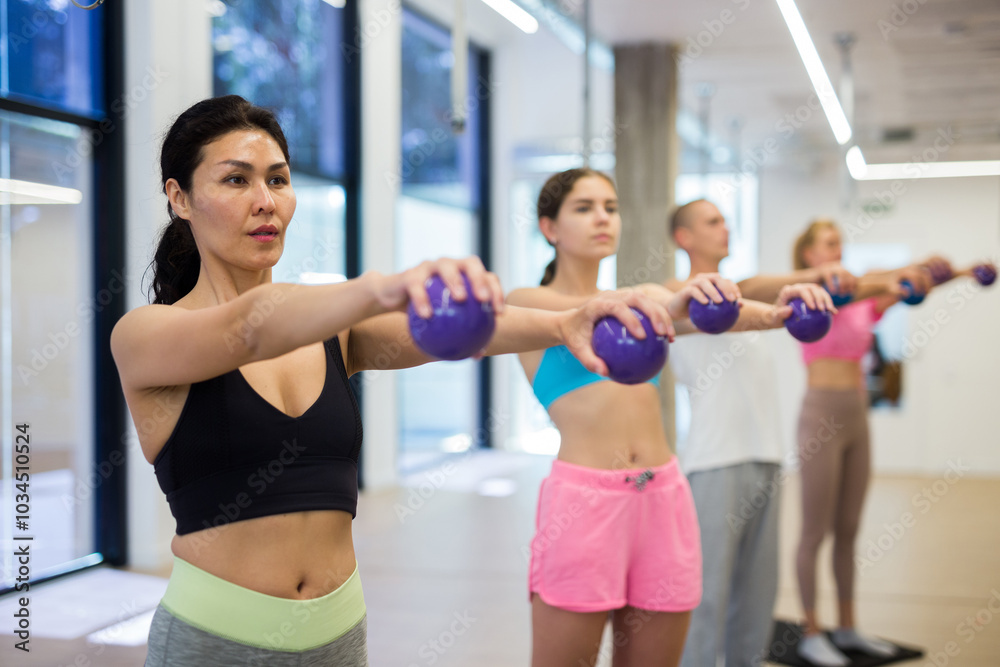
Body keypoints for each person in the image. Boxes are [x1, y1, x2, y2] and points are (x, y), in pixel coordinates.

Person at [112, 96, 669, 667]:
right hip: (215, 643)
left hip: (340, 635)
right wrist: (383, 286)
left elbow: (460, 332)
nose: (264, 202)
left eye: (277, 180)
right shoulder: (148, 335)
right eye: (236, 180)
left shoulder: (335, 333)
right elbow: (251, 328)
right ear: (179, 197)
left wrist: (561, 322)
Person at [508, 172, 833, 667]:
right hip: (585, 507)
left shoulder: (644, 297)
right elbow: (598, 310)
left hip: (663, 497)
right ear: (549, 227)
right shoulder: (529, 302)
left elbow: (706, 315)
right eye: (584, 207)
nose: (603, 217)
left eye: (611, 207)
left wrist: (777, 312)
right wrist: (670, 302)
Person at [666, 199, 870, 667]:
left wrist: (810, 287)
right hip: (715, 462)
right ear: (684, 237)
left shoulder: (745, 294)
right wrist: (779, 309)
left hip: (767, 457)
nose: (725, 228)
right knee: (707, 595)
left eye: (726, 220)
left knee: (756, 598)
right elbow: (745, 297)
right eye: (712, 221)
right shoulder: (674, 294)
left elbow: (763, 290)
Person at [790, 219, 993, 666]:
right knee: (813, 532)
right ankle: (810, 632)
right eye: (828, 244)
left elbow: (907, 287)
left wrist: (960, 273)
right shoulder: (812, 298)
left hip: (857, 416)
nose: (837, 249)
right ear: (808, 255)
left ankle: (847, 628)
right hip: (819, 415)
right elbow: (887, 278)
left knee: (848, 530)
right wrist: (912, 267)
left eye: (840, 242)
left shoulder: (863, 299)